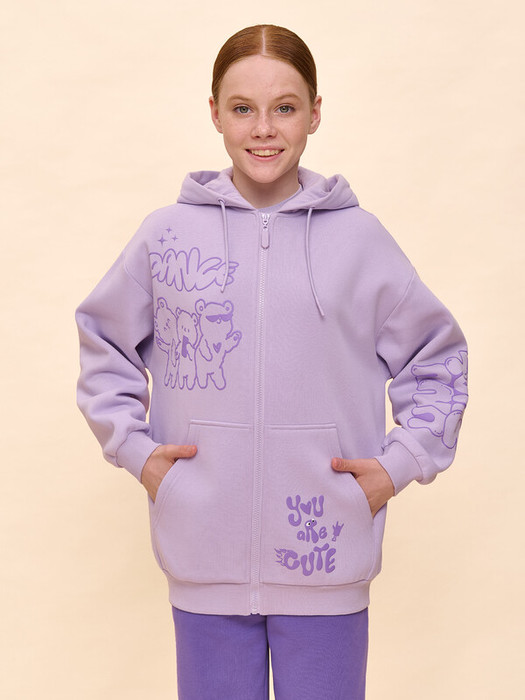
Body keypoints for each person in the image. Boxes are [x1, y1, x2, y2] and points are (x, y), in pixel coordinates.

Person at [76, 24, 468, 700]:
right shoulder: (166, 237)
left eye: (284, 107)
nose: (263, 129)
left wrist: (397, 466)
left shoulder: (359, 240)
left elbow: (438, 358)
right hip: (202, 551)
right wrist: (140, 455)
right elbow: (102, 344)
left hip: (326, 552)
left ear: (314, 113)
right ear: (214, 113)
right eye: (242, 108)